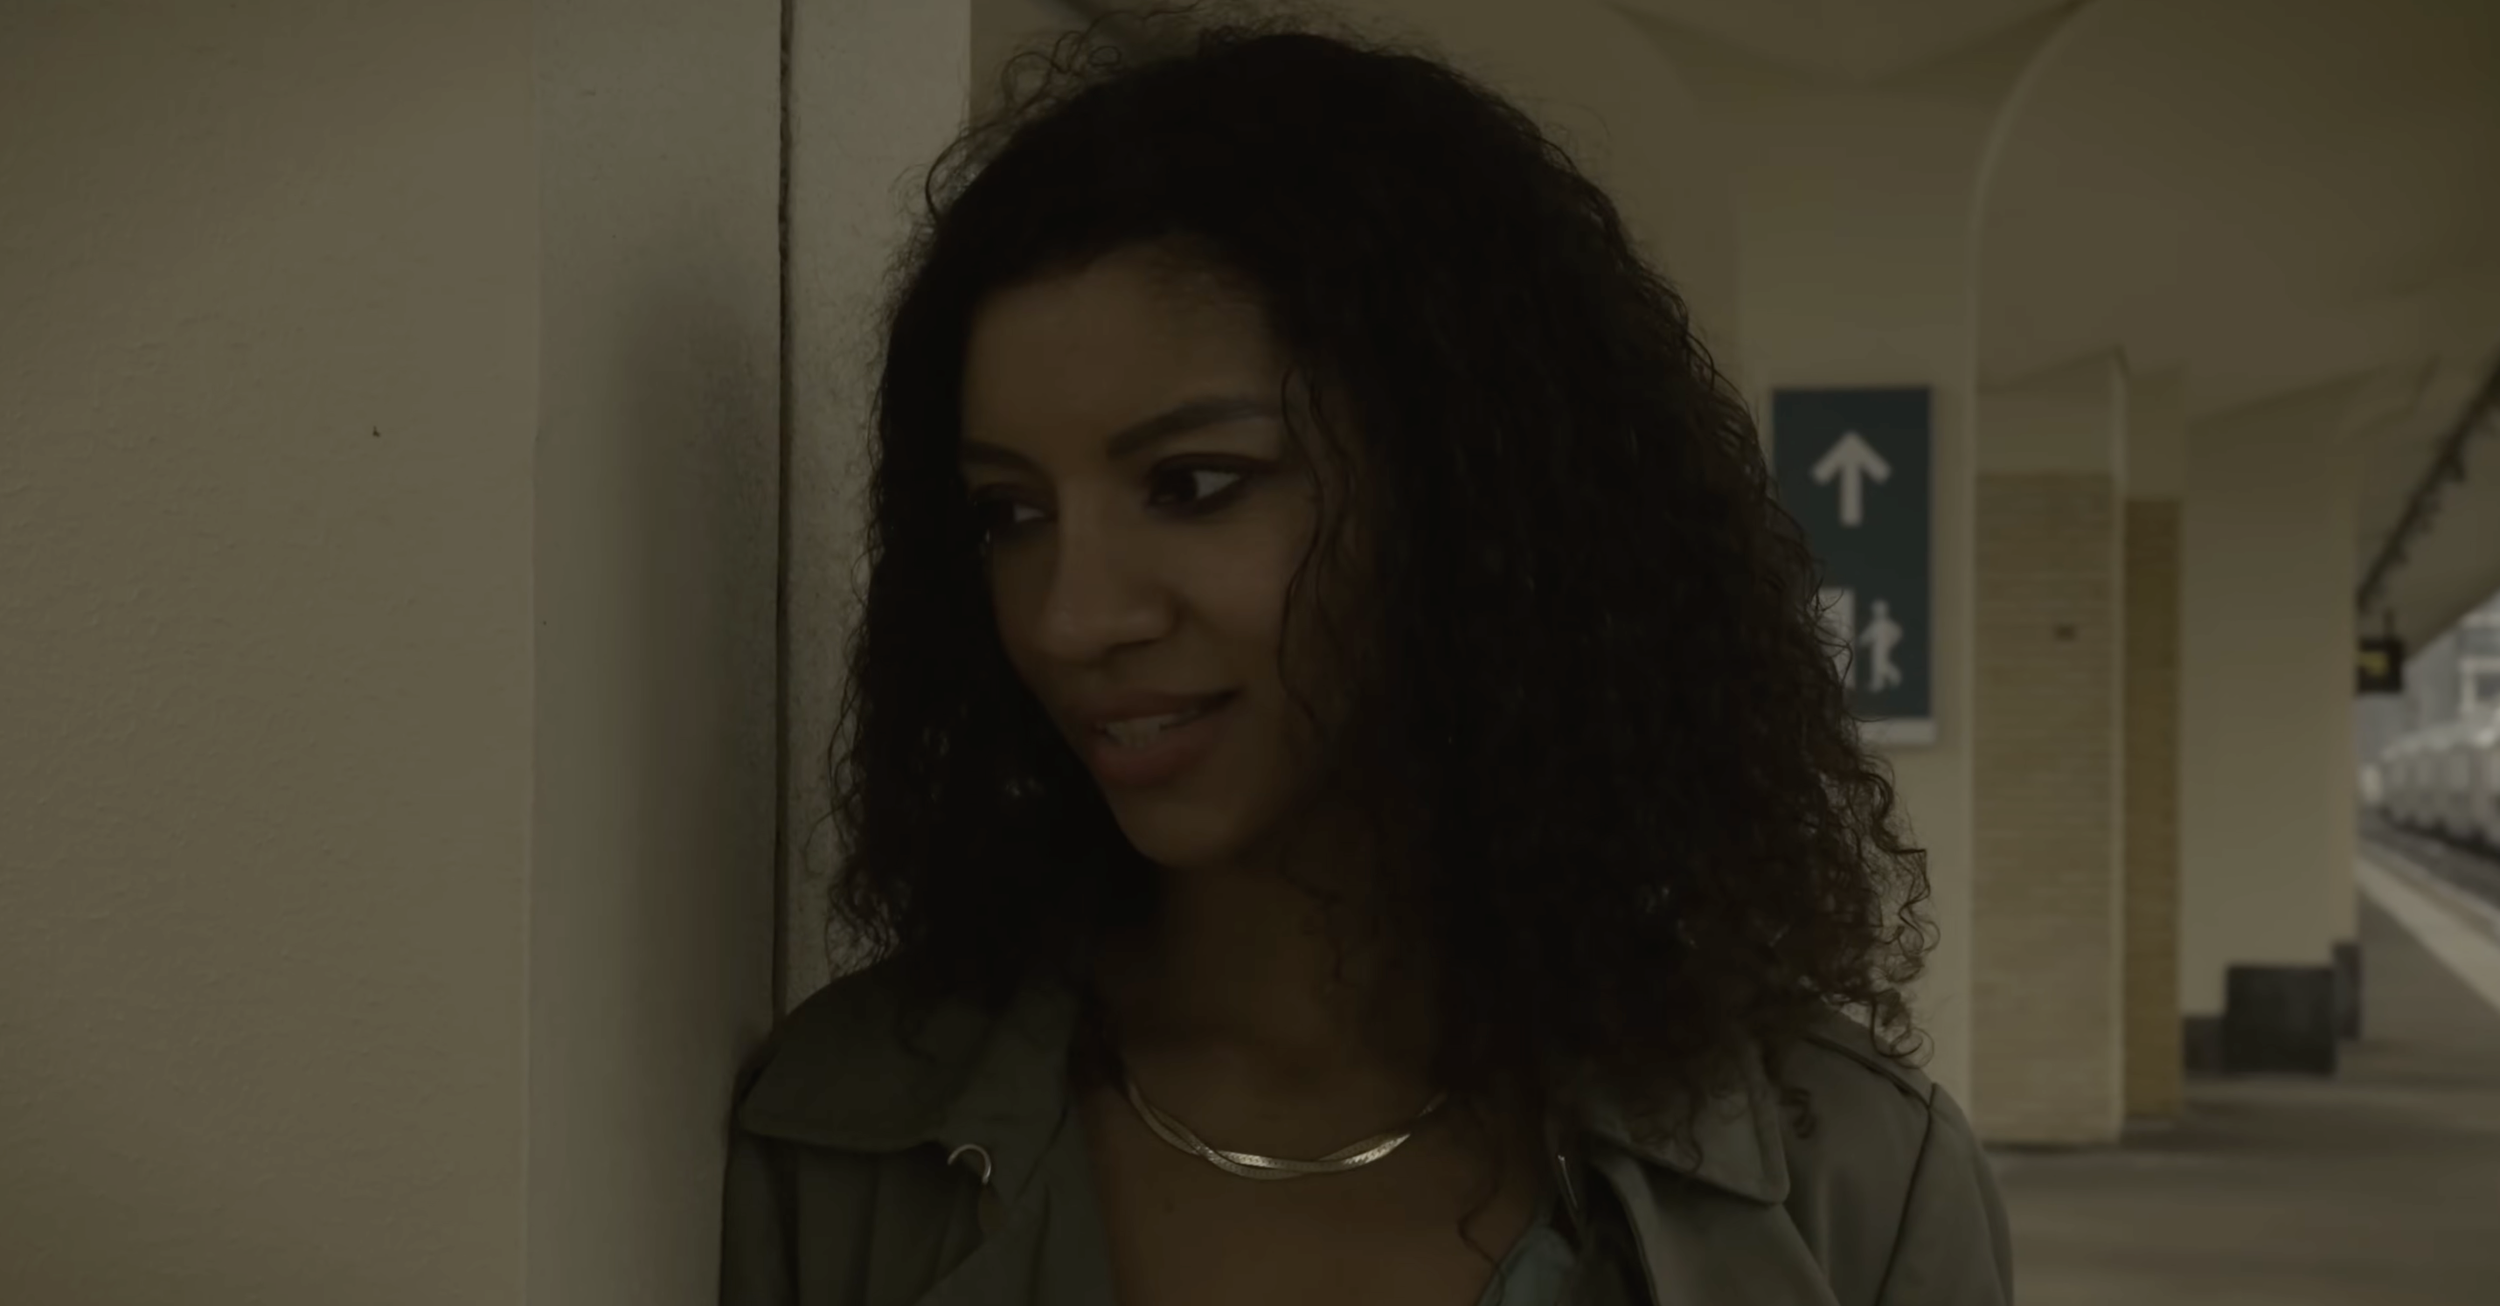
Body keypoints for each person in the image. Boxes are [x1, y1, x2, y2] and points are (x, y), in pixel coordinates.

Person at [720, 11, 2011, 1306]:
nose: (1069, 617)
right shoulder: (843, 1150)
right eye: (1009, 512)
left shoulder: (1847, 1186)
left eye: (1192, 484)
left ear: (1462, 495)